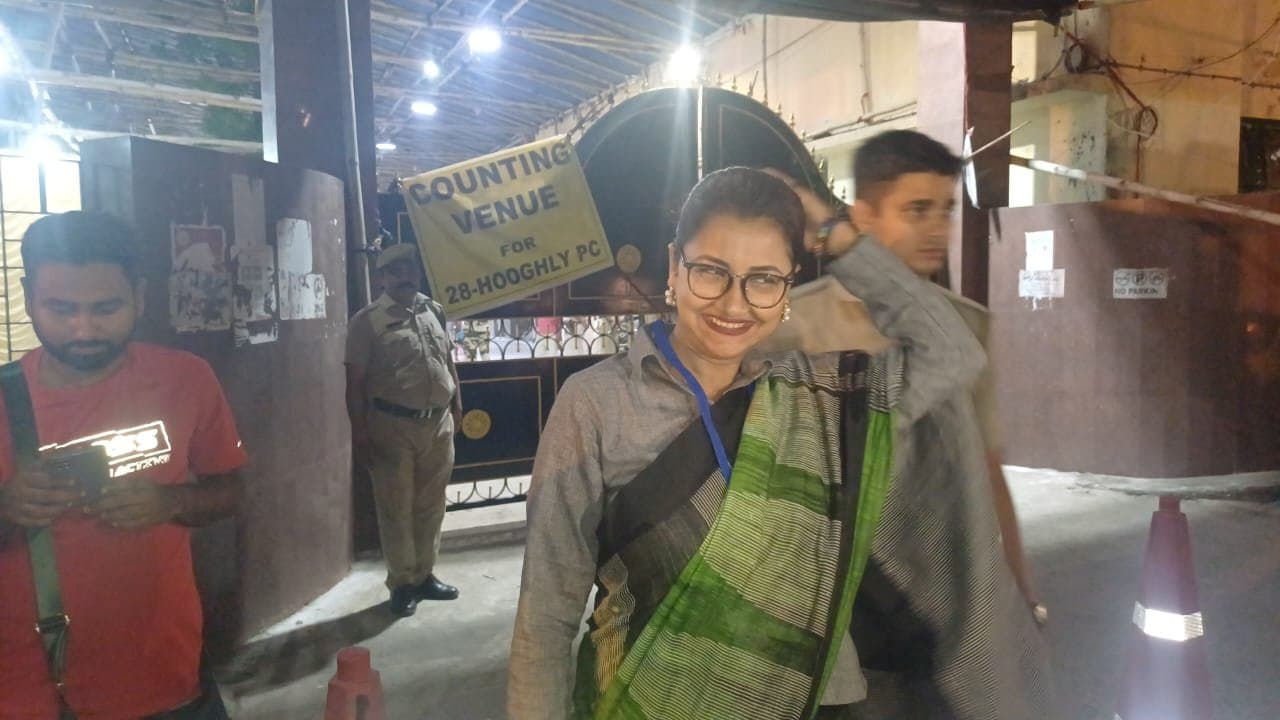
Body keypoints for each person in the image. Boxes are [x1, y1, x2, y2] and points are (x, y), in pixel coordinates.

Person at [508, 167, 1051, 719]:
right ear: (674, 266)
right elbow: (548, 608)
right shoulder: (595, 403)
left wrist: (837, 234)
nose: (735, 305)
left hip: (814, 702)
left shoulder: (821, 396)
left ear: (790, 284)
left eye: (764, 279)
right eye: (711, 272)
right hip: (650, 698)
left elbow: (953, 351)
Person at [766, 129, 1043, 619]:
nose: (937, 228)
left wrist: (1020, 592)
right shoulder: (798, 326)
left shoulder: (968, 325)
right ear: (862, 217)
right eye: (917, 210)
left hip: (939, 595)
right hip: (829, 599)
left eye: (946, 210)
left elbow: (988, 469)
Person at [0, 211, 246, 719]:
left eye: (105, 307)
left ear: (139, 294)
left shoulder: (186, 379)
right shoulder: (6, 400)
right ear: (27, 298)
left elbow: (232, 489)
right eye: (60, 309)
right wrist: (8, 507)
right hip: (34, 690)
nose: (83, 328)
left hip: (169, 675)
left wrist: (171, 501)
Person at [346, 243, 463, 618]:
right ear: (382, 278)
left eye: (410, 268)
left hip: (438, 424)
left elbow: (447, 360)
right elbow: (355, 383)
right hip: (391, 428)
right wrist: (360, 434)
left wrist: (458, 404)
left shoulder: (434, 311)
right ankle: (402, 583)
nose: (404, 276)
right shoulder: (367, 322)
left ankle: (425, 574)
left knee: (431, 505)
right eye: (394, 270)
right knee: (396, 510)